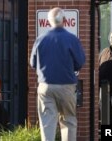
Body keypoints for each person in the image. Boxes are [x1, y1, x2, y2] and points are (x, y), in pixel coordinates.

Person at [30, 7, 86, 141]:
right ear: (65, 20)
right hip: (66, 85)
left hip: (45, 86)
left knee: (47, 123)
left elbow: (32, 63)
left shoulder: (40, 39)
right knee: (68, 121)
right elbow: (80, 62)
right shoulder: (72, 39)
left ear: (49, 22)